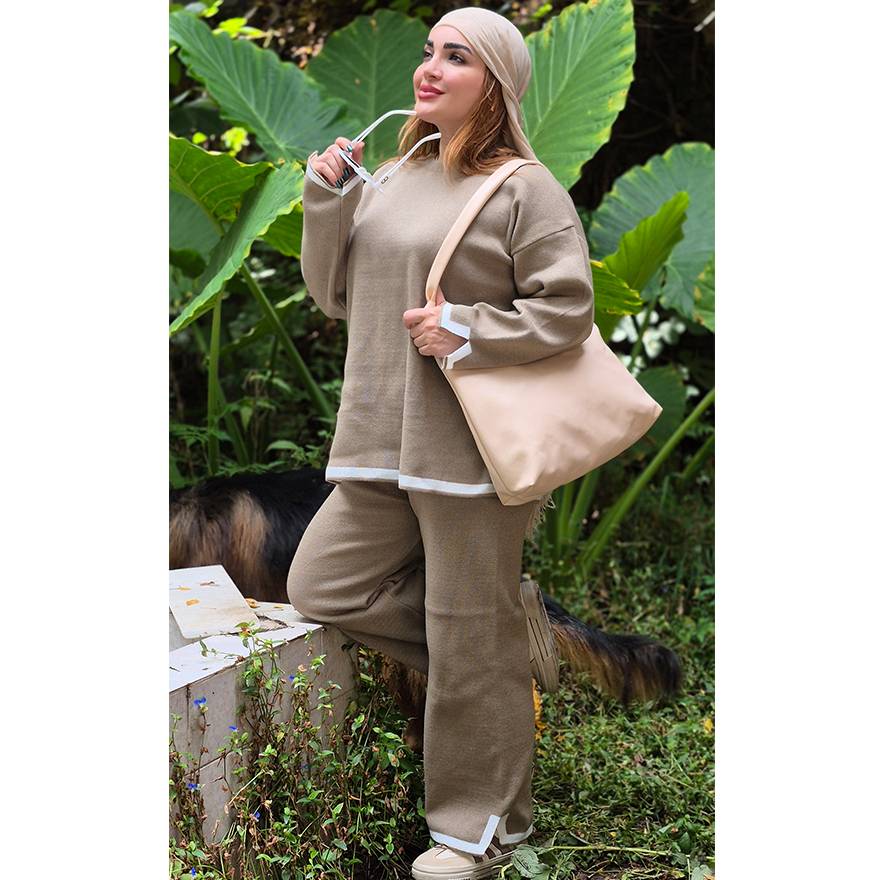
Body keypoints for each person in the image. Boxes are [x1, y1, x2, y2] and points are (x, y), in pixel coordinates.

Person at [287, 7, 594, 878]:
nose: (429, 68)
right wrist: (326, 199)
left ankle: (479, 833)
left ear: (495, 84)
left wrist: (467, 328)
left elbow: (567, 309)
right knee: (322, 584)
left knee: (468, 637)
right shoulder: (394, 173)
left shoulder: (524, 188)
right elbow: (334, 295)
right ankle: (497, 640)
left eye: (456, 57)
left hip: (468, 451)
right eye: (428, 52)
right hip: (377, 437)